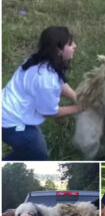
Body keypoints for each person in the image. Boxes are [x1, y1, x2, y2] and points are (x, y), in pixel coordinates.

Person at [2, 26, 81, 160]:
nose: (75, 46)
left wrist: (77, 97)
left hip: (6, 110)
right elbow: (49, 112)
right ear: (58, 50)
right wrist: (79, 108)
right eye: (69, 44)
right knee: (39, 157)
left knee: (29, 154)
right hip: (13, 124)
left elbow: (60, 84)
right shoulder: (46, 79)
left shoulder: (38, 60)